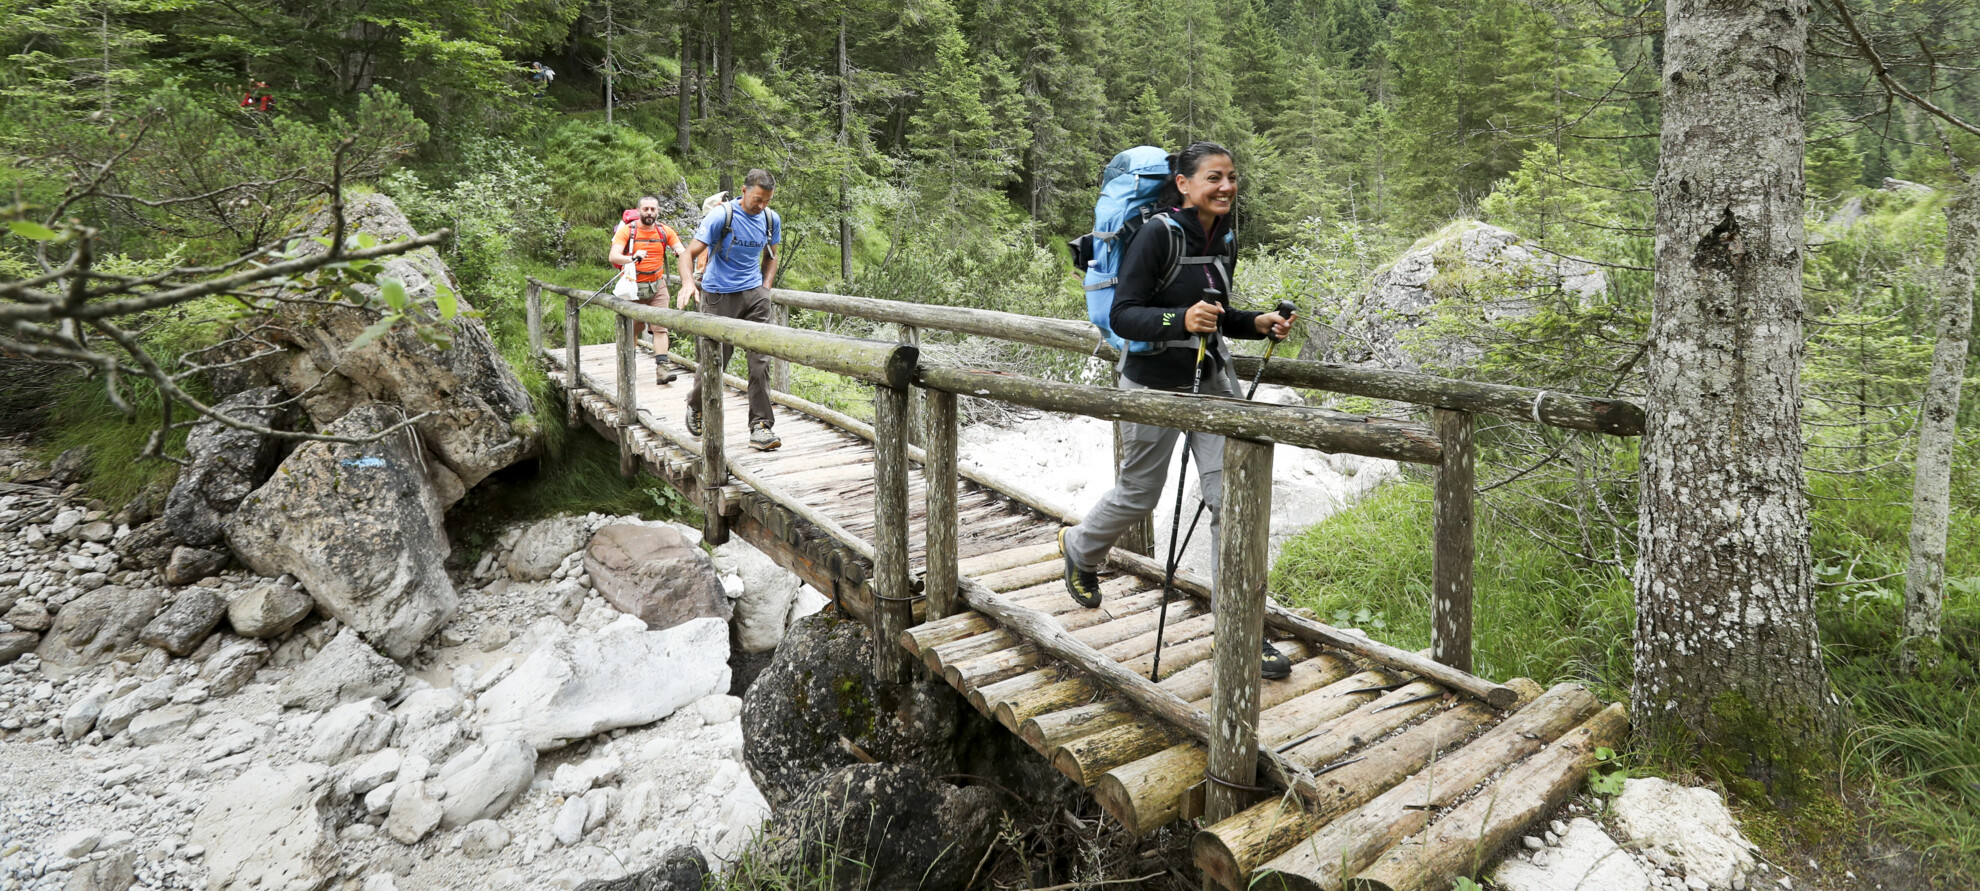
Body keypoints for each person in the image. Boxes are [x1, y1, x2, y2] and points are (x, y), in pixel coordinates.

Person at [1058, 142, 1297, 679]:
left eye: (1232, 177)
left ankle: (1239, 627)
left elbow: (1215, 312)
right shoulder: (1157, 233)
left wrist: (1254, 323)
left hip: (1210, 382)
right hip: (1150, 384)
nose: (1226, 187)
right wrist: (1178, 322)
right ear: (1184, 184)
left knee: (1229, 500)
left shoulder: (1225, 237)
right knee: (1140, 492)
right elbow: (1125, 315)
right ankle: (1080, 546)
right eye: (1214, 177)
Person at [684, 169, 783, 451]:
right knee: (716, 359)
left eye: (767, 200)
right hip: (718, 296)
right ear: (744, 190)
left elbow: (772, 256)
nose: (761, 205)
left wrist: (765, 288)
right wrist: (689, 283)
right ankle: (696, 404)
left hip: (754, 296)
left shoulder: (770, 218)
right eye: (757, 199)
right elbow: (687, 253)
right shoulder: (721, 216)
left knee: (760, 361)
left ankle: (761, 426)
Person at [609, 196, 697, 384]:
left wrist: (682, 254)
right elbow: (614, 257)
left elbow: (681, 250)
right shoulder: (627, 231)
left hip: (658, 285)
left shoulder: (665, 231)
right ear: (639, 210)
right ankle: (628, 366)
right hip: (633, 286)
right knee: (634, 328)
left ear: (657, 211)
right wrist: (632, 257)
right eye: (646, 209)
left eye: (653, 209)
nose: (649, 213)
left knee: (660, 327)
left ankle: (662, 369)